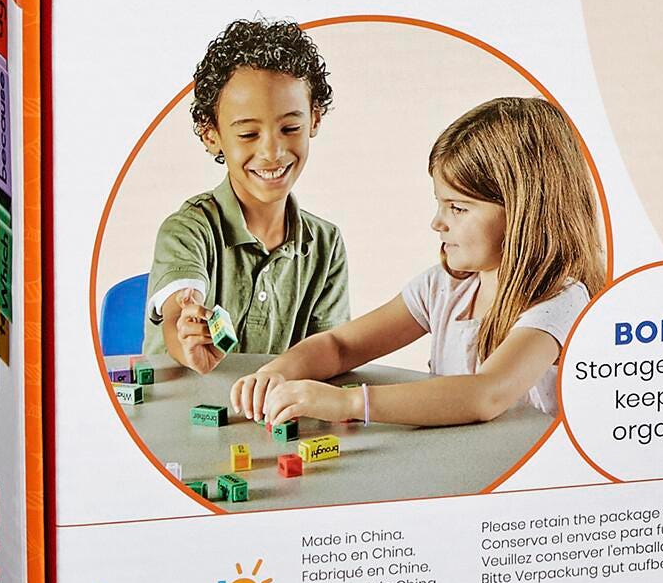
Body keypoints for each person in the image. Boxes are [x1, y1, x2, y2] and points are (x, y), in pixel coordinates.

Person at [232, 95, 602, 427]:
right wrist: (277, 372)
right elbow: (340, 346)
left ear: (524, 211)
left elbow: (485, 394)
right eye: (439, 203)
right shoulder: (442, 288)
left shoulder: (561, 302)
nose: (438, 222)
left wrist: (348, 403)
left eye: (458, 208)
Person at [144, 18, 347, 374]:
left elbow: (332, 353)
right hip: (181, 404)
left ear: (314, 119)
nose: (272, 152)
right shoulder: (187, 230)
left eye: (290, 128)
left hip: (272, 406)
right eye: (249, 134)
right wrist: (186, 333)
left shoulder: (326, 245)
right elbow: (179, 307)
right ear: (211, 135)